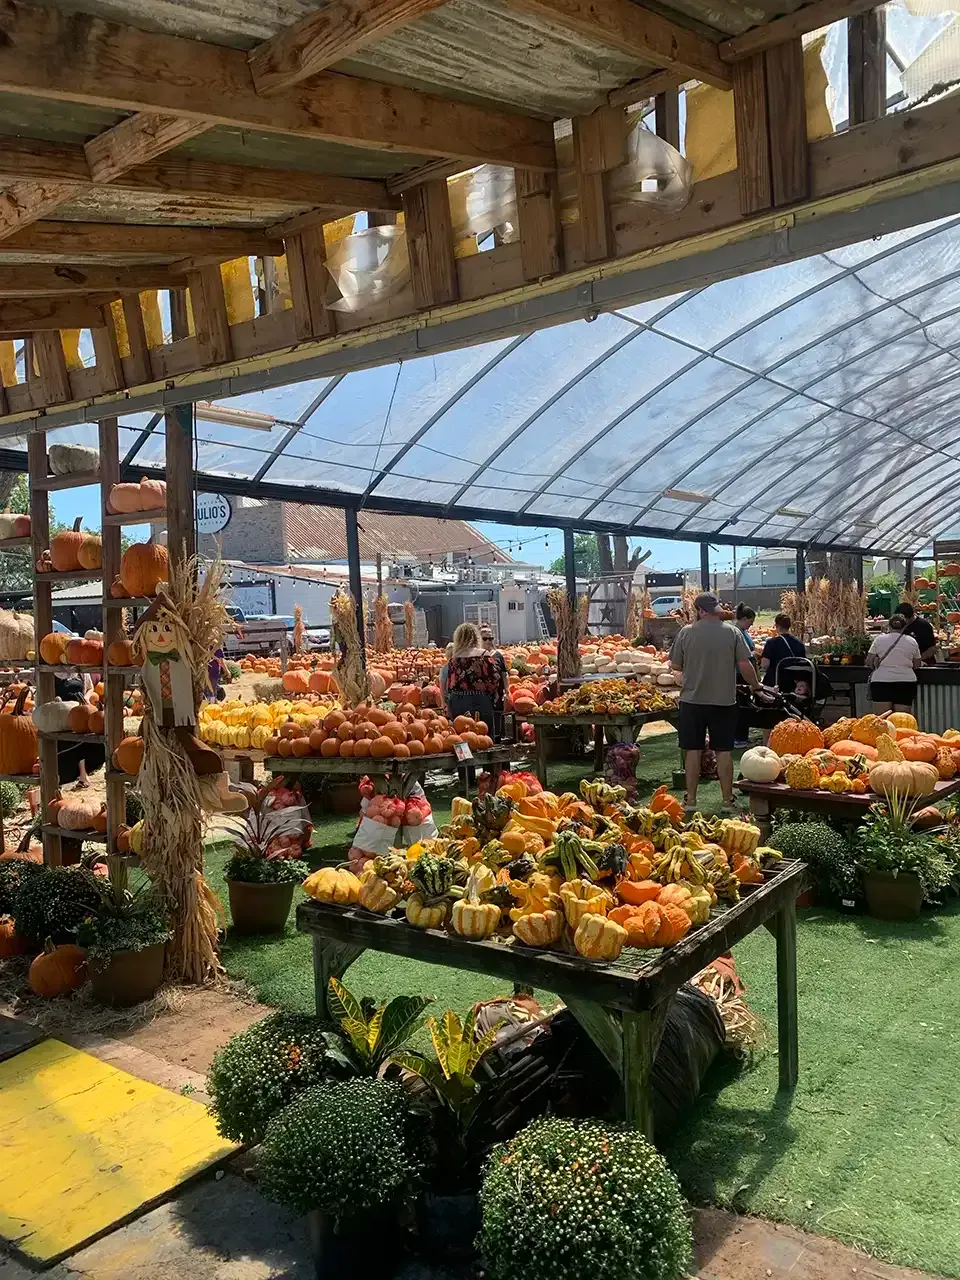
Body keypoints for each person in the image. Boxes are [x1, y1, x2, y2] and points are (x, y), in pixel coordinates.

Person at [670, 592, 762, 813]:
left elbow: (676, 666)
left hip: (692, 702)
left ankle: (690, 801)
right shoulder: (732, 633)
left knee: (692, 750)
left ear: (700, 610)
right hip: (724, 702)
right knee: (723, 751)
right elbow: (745, 664)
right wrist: (756, 685)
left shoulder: (686, 633)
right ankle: (727, 801)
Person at [445, 623, 501, 730]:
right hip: (480, 700)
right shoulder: (484, 655)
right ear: (476, 637)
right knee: (483, 736)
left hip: (458, 701)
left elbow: (451, 685)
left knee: (463, 735)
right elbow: (494, 680)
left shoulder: (454, 659)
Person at [866, 613, 921, 713]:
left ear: (889, 626)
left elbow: (869, 660)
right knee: (902, 720)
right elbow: (917, 664)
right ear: (905, 626)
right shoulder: (912, 641)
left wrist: (876, 665)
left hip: (881, 682)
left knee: (882, 720)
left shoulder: (879, 639)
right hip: (906, 682)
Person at [733, 604, 756, 748]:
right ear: (745, 619)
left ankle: (741, 736)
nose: (751, 625)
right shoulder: (736, 632)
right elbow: (741, 655)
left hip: (744, 672)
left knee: (744, 705)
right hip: (739, 674)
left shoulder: (743, 631)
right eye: (750, 622)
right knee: (741, 707)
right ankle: (738, 738)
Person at [760, 613, 806, 688]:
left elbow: (765, 665)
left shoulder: (771, 643)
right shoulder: (799, 644)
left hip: (775, 682)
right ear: (789, 626)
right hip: (793, 683)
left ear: (777, 626)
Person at [480, 626, 509, 740]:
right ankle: (486, 738)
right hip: (483, 693)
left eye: (490, 638)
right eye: (485, 638)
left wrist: (507, 689)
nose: (488, 641)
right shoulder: (477, 656)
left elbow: (504, 673)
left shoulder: (498, 655)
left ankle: (497, 737)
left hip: (497, 693)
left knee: (498, 716)